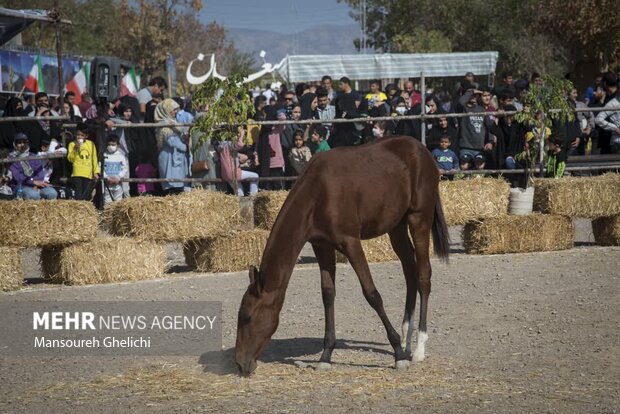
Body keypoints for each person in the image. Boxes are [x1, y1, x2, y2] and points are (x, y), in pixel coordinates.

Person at [155, 98, 191, 195]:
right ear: (166, 110)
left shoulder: (173, 122)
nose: (176, 112)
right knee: (172, 186)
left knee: (179, 185)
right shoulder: (164, 124)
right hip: (169, 158)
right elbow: (171, 141)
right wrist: (186, 147)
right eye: (174, 109)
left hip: (176, 156)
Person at [9, 133, 58, 200]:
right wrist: (32, 182)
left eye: (24, 142)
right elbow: (17, 177)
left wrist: (36, 185)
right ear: (15, 144)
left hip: (37, 185)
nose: (22, 145)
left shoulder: (33, 156)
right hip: (21, 186)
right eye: (19, 143)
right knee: (34, 195)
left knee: (52, 193)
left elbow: (39, 172)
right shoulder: (11, 158)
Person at [218, 128, 259, 197]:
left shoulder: (221, 145)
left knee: (239, 193)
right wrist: (242, 134)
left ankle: (240, 204)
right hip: (234, 173)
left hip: (225, 174)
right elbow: (240, 145)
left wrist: (239, 156)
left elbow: (229, 156)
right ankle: (253, 196)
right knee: (255, 176)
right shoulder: (230, 143)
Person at [67, 123, 99, 200]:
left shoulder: (91, 144)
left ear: (86, 136)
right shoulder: (72, 144)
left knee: (87, 196)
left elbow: (94, 159)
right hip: (77, 173)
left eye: (82, 135)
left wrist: (96, 172)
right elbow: (70, 159)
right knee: (78, 196)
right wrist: (75, 149)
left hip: (88, 173)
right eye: (78, 135)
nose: (80, 137)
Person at [595, 72, 620, 154]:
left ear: (605, 83)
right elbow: (599, 118)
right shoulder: (611, 99)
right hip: (610, 140)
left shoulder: (613, 100)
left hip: (611, 139)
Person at [103, 135, 128, 205]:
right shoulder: (104, 155)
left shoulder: (121, 156)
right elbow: (100, 168)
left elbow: (125, 168)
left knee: (118, 202)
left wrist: (118, 177)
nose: (111, 146)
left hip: (118, 184)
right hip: (107, 184)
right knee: (107, 202)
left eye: (113, 144)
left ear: (118, 145)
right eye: (109, 144)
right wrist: (107, 178)